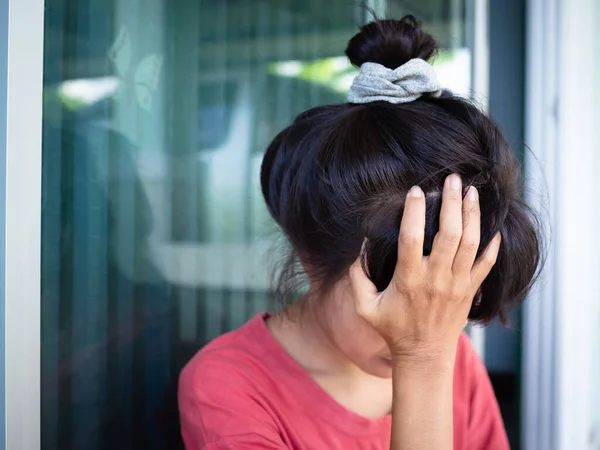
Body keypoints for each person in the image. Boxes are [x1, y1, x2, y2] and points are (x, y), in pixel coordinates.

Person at [178, 15, 541, 450]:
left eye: (450, 293)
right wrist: (421, 364)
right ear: (311, 257)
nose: (425, 318)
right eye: (402, 293)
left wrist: (429, 357)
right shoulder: (226, 386)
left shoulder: (449, 354)